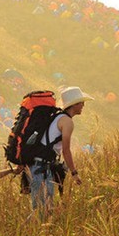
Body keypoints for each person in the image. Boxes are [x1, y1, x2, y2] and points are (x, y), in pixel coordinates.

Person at [27, 86, 92, 221]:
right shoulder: (67, 121)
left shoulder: (57, 117)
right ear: (74, 104)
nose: (83, 105)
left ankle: (31, 234)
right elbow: (66, 150)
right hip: (41, 168)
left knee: (46, 210)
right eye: (81, 102)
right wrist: (74, 172)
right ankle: (21, 234)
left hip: (40, 166)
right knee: (40, 211)